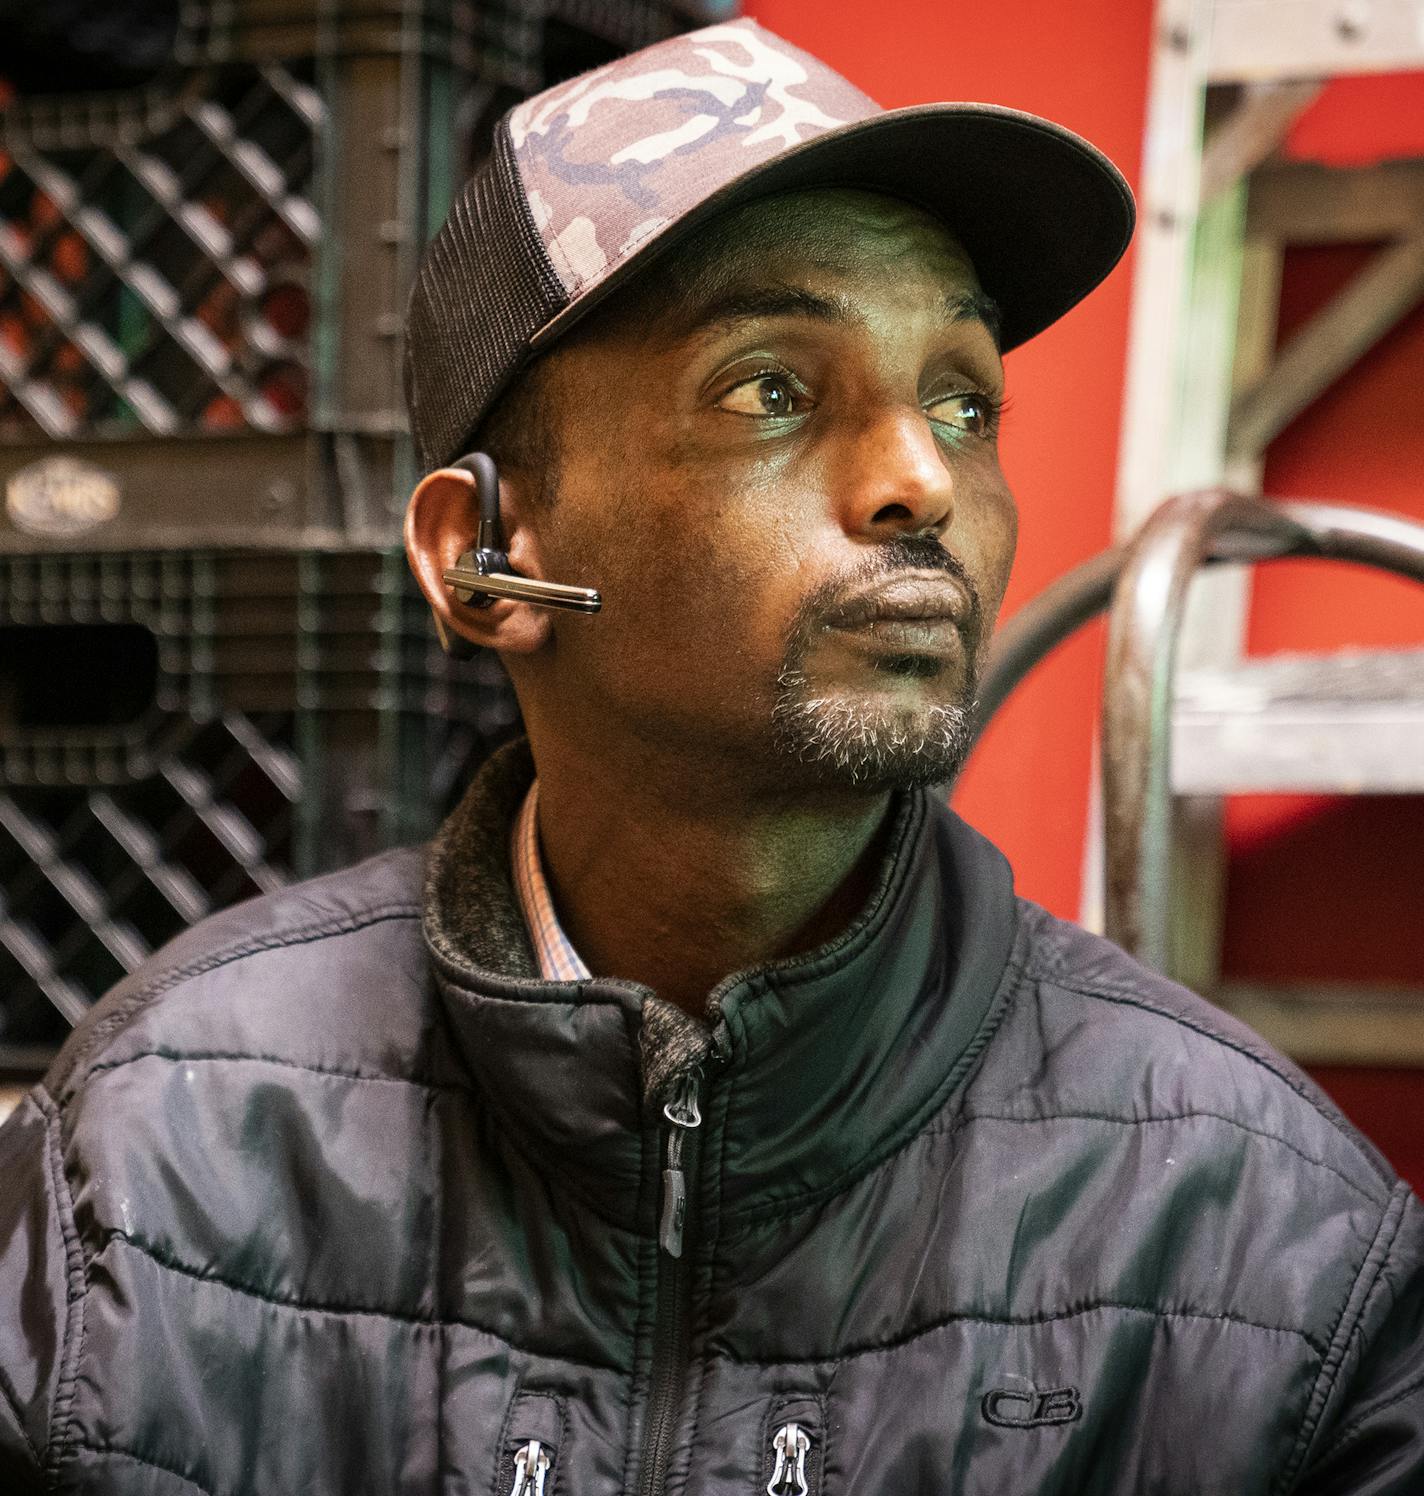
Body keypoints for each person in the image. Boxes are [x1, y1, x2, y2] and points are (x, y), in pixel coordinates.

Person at [1, 19, 1420, 1494]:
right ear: (483, 554)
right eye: (772, 391)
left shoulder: (1269, 1244)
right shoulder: (153, 1157)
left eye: (962, 398)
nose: (923, 480)